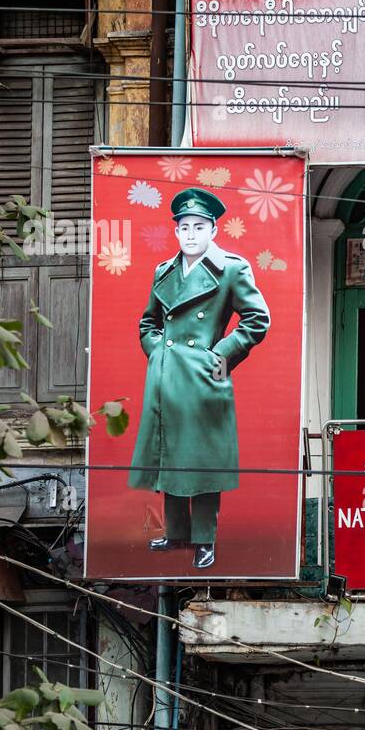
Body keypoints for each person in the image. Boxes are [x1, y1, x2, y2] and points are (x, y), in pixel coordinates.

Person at [129, 187, 271, 570]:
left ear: (213, 230)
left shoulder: (231, 269)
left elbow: (258, 320)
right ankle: (177, 532)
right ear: (176, 232)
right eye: (184, 227)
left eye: (198, 226)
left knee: (203, 461)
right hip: (167, 376)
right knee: (171, 454)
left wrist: (218, 357)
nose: (190, 234)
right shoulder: (164, 272)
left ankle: (205, 538)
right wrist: (157, 351)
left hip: (205, 377)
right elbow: (147, 323)